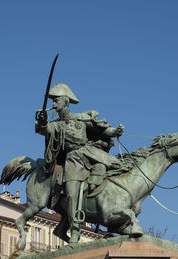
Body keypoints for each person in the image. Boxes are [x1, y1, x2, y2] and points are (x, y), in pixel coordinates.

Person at [35, 83, 124, 243]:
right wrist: (41, 122)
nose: (53, 104)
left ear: (66, 101)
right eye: (53, 101)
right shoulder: (56, 125)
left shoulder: (81, 118)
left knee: (120, 168)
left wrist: (115, 132)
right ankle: (75, 232)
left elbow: (101, 130)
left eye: (56, 100)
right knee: (71, 195)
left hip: (91, 154)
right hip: (73, 161)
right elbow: (44, 130)